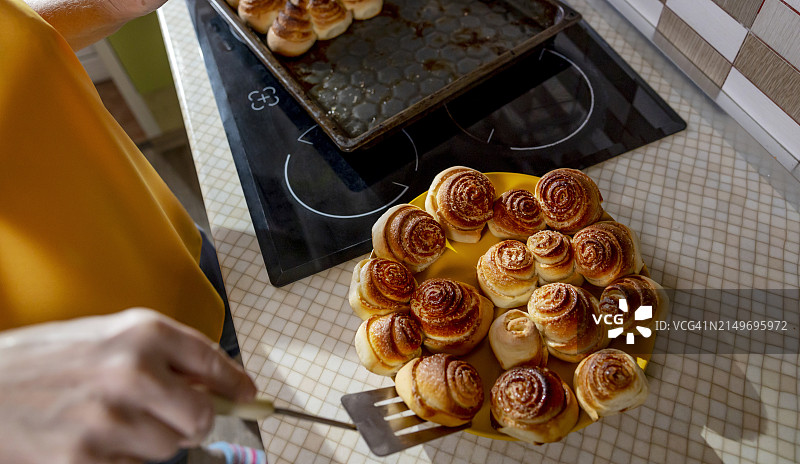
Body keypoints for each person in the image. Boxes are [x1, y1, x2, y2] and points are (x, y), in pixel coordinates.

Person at [0, 0, 259, 462]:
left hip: (168, 243)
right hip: (69, 379)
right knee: (173, 445)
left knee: (247, 350)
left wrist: (95, 7)